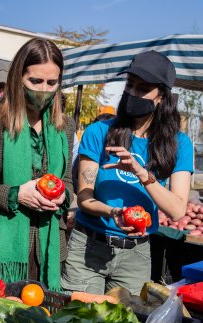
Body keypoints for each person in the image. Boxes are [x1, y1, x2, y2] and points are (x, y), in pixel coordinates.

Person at [61, 50, 193, 295]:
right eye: (130, 85)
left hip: (136, 255)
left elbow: (177, 210)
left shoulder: (179, 144)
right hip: (88, 246)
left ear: (161, 97)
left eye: (143, 89)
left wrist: (142, 173)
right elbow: (84, 197)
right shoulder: (99, 131)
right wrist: (113, 212)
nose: (133, 93)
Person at [0, 37, 75, 291]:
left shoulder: (64, 126)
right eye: (35, 81)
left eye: (51, 82)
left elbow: (67, 181)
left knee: (42, 322)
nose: (43, 89)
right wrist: (15, 194)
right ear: (17, 78)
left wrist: (62, 196)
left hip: (48, 246)